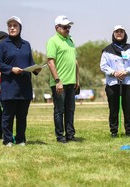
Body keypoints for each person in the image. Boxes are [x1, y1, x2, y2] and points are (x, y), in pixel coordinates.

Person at [0, 16, 41, 146]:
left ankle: (21, 139)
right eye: (10, 26)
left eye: (15, 25)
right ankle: (7, 140)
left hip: (24, 86)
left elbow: (30, 62)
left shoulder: (26, 45)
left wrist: (36, 68)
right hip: (9, 86)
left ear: (20, 28)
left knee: (22, 116)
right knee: (8, 116)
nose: (12, 28)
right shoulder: (3, 44)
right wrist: (11, 69)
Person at [100, 25, 130, 138]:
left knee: (128, 109)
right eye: (117, 32)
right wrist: (114, 73)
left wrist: (126, 72)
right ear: (113, 34)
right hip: (113, 83)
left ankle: (129, 131)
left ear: (125, 34)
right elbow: (103, 65)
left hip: (128, 83)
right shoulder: (107, 50)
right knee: (113, 109)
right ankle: (114, 131)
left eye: (121, 32)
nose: (119, 33)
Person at [46, 15, 79, 143]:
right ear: (57, 27)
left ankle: (70, 135)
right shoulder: (53, 41)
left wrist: (77, 80)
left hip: (71, 82)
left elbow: (75, 62)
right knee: (59, 111)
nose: (68, 29)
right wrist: (57, 81)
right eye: (65, 27)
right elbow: (50, 62)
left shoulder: (70, 41)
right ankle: (60, 136)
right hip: (60, 83)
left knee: (70, 110)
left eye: (69, 27)